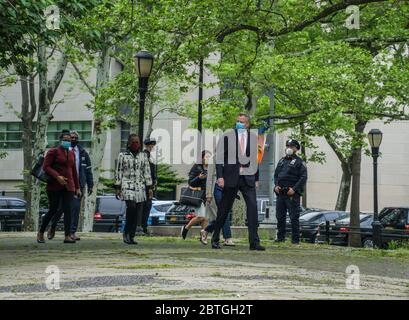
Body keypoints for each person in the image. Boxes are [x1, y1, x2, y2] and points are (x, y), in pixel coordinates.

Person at [211, 113, 264, 251]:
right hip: (230, 177)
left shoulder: (253, 137)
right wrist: (220, 176)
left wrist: (256, 178)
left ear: (247, 124)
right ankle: (215, 238)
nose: (239, 123)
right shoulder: (228, 136)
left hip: (248, 178)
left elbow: (255, 160)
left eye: (242, 121)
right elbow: (219, 158)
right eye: (237, 121)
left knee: (252, 209)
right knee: (224, 209)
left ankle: (254, 242)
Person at [47, 130, 94, 241]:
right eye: (71, 138)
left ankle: (71, 232)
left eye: (75, 138)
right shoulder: (61, 151)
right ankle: (52, 227)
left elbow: (88, 170)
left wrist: (90, 184)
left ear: (78, 139)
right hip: (63, 184)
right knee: (60, 209)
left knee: (75, 209)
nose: (73, 139)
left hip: (77, 184)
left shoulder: (83, 152)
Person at [37, 130, 81, 244]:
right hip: (54, 185)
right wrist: (57, 176)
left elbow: (74, 171)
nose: (67, 142)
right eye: (65, 140)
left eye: (69, 140)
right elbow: (46, 167)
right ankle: (41, 231)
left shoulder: (72, 154)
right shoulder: (53, 152)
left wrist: (77, 187)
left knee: (68, 210)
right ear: (60, 140)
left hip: (69, 186)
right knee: (53, 209)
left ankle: (67, 236)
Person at [115, 134, 152, 244]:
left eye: (138, 142)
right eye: (134, 142)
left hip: (140, 186)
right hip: (127, 185)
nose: (136, 144)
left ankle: (131, 235)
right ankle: (126, 232)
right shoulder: (123, 155)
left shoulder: (143, 156)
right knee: (131, 208)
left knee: (137, 212)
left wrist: (149, 188)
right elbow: (119, 171)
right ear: (129, 143)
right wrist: (117, 187)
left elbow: (147, 171)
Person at [274, 139, 308, 244]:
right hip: (281, 193)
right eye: (287, 146)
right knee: (280, 217)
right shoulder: (282, 160)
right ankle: (280, 238)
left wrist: (294, 189)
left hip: (292, 193)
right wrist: (276, 186)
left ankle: (295, 240)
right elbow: (276, 175)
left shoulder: (299, 162)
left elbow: (303, 177)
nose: (289, 148)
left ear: (296, 149)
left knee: (294, 217)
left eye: (291, 146)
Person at [202, 155, 235, 246]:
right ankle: (227, 238)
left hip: (228, 189)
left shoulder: (232, 157)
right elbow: (209, 176)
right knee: (224, 212)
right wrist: (208, 194)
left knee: (222, 214)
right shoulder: (215, 157)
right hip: (217, 188)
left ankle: (206, 230)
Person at [180, 150, 211, 244]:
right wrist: (199, 178)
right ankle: (186, 227)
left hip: (208, 195)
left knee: (205, 218)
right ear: (202, 158)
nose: (208, 159)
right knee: (202, 217)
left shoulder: (212, 168)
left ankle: (203, 237)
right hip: (198, 196)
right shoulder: (197, 167)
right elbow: (190, 182)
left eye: (210, 157)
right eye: (207, 157)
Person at [141, 138, 157, 235]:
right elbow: (148, 173)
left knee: (146, 206)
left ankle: (143, 227)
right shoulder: (145, 156)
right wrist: (150, 186)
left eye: (152, 145)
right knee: (146, 206)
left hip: (148, 185)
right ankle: (143, 227)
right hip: (146, 186)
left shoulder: (149, 156)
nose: (152, 147)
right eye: (150, 145)